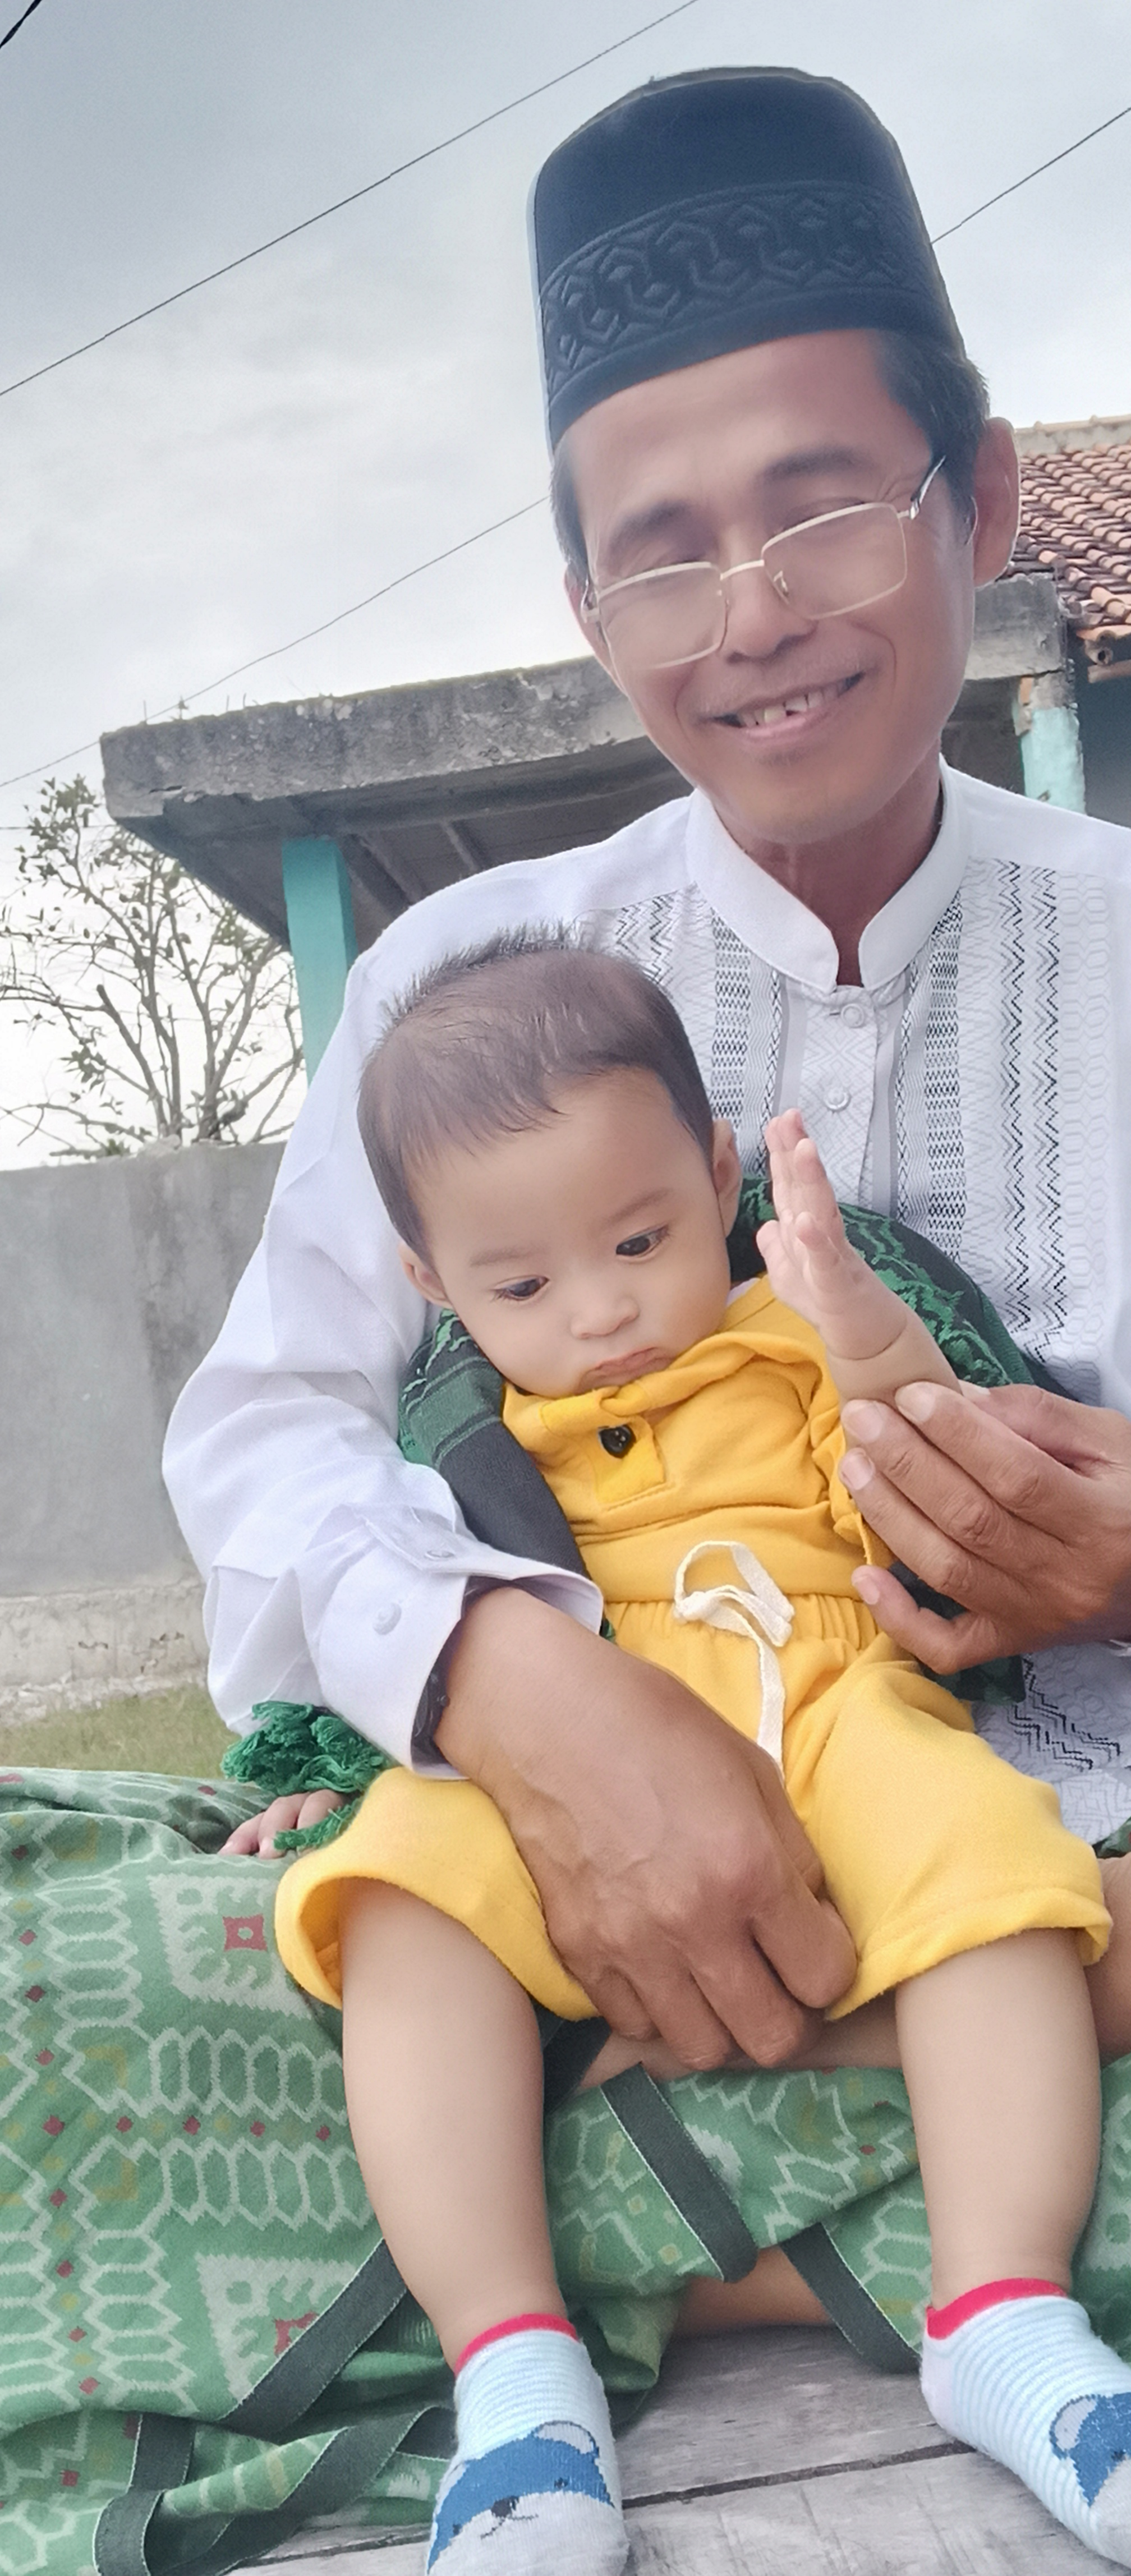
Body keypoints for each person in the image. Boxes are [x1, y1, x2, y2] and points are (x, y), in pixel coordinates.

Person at [165, 68, 1131, 2278]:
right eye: (664, 549)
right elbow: (268, 1436)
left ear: (975, 498)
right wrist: (511, 1682)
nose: (753, 609)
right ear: (590, 604)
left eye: (821, 506)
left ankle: (718, 2154)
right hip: (585, 1818)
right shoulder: (462, 981)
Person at [245, 933, 1131, 2574]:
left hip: (836, 1697)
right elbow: (381, 1601)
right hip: (575, 1740)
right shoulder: (456, 1428)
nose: (601, 1315)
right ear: (433, 1285)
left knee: (997, 1870)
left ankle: (1006, 2317)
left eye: (643, 1239)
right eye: (522, 1286)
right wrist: (295, 1767)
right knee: (396, 1893)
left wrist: (855, 1322)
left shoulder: (791, 1323)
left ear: (716, 1175)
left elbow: (920, 1462)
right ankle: (513, 2375)